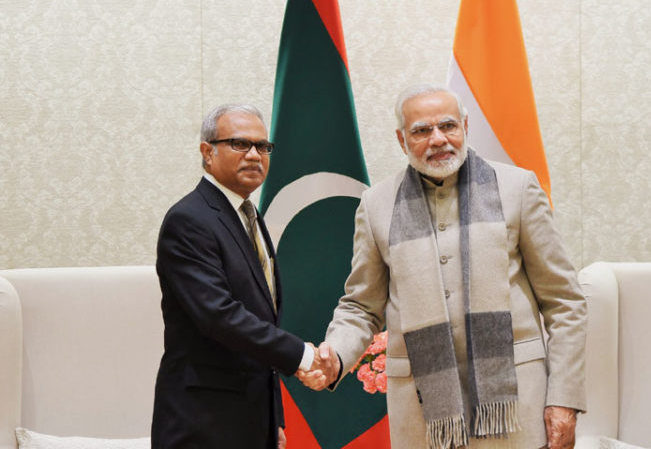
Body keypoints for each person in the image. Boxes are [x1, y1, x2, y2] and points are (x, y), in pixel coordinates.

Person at [300, 85, 587, 449]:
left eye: (448, 126)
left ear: (465, 126)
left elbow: (565, 302)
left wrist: (564, 399)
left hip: (515, 403)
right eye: (421, 131)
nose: (438, 139)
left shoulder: (517, 188)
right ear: (402, 141)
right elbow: (361, 306)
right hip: (421, 414)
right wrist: (336, 354)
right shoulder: (376, 206)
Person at [151, 104, 326, 449]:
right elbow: (219, 316)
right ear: (207, 152)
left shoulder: (248, 214)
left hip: (251, 420)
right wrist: (302, 356)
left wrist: (273, 417)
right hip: (202, 423)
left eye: (262, 146)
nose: (254, 155)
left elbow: (263, 316)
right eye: (239, 144)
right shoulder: (189, 220)